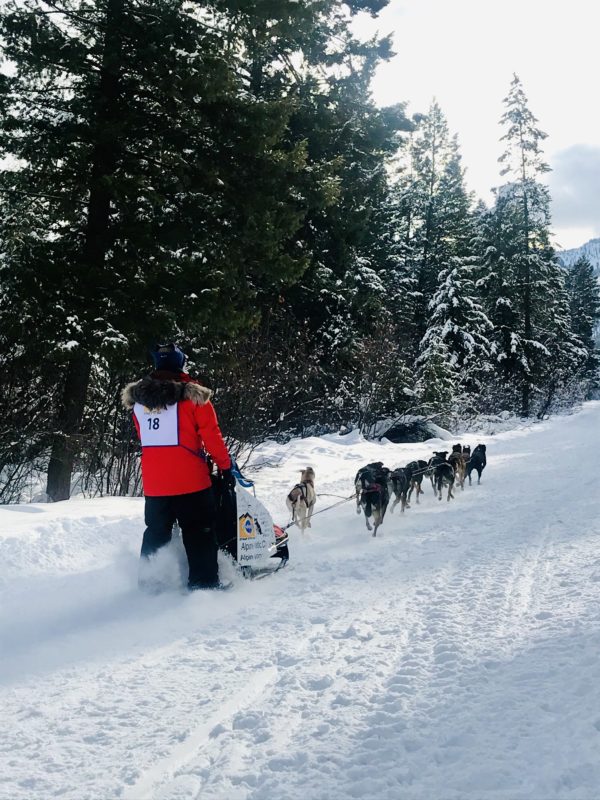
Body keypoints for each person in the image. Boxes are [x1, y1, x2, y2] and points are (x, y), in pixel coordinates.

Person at [122, 343, 234, 590]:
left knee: (156, 532)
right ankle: (203, 585)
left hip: (155, 484)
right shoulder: (195, 398)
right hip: (191, 481)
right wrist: (226, 467)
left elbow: (144, 438)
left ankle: (151, 584)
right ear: (181, 364)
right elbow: (212, 436)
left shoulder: (138, 402)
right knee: (199, 531)